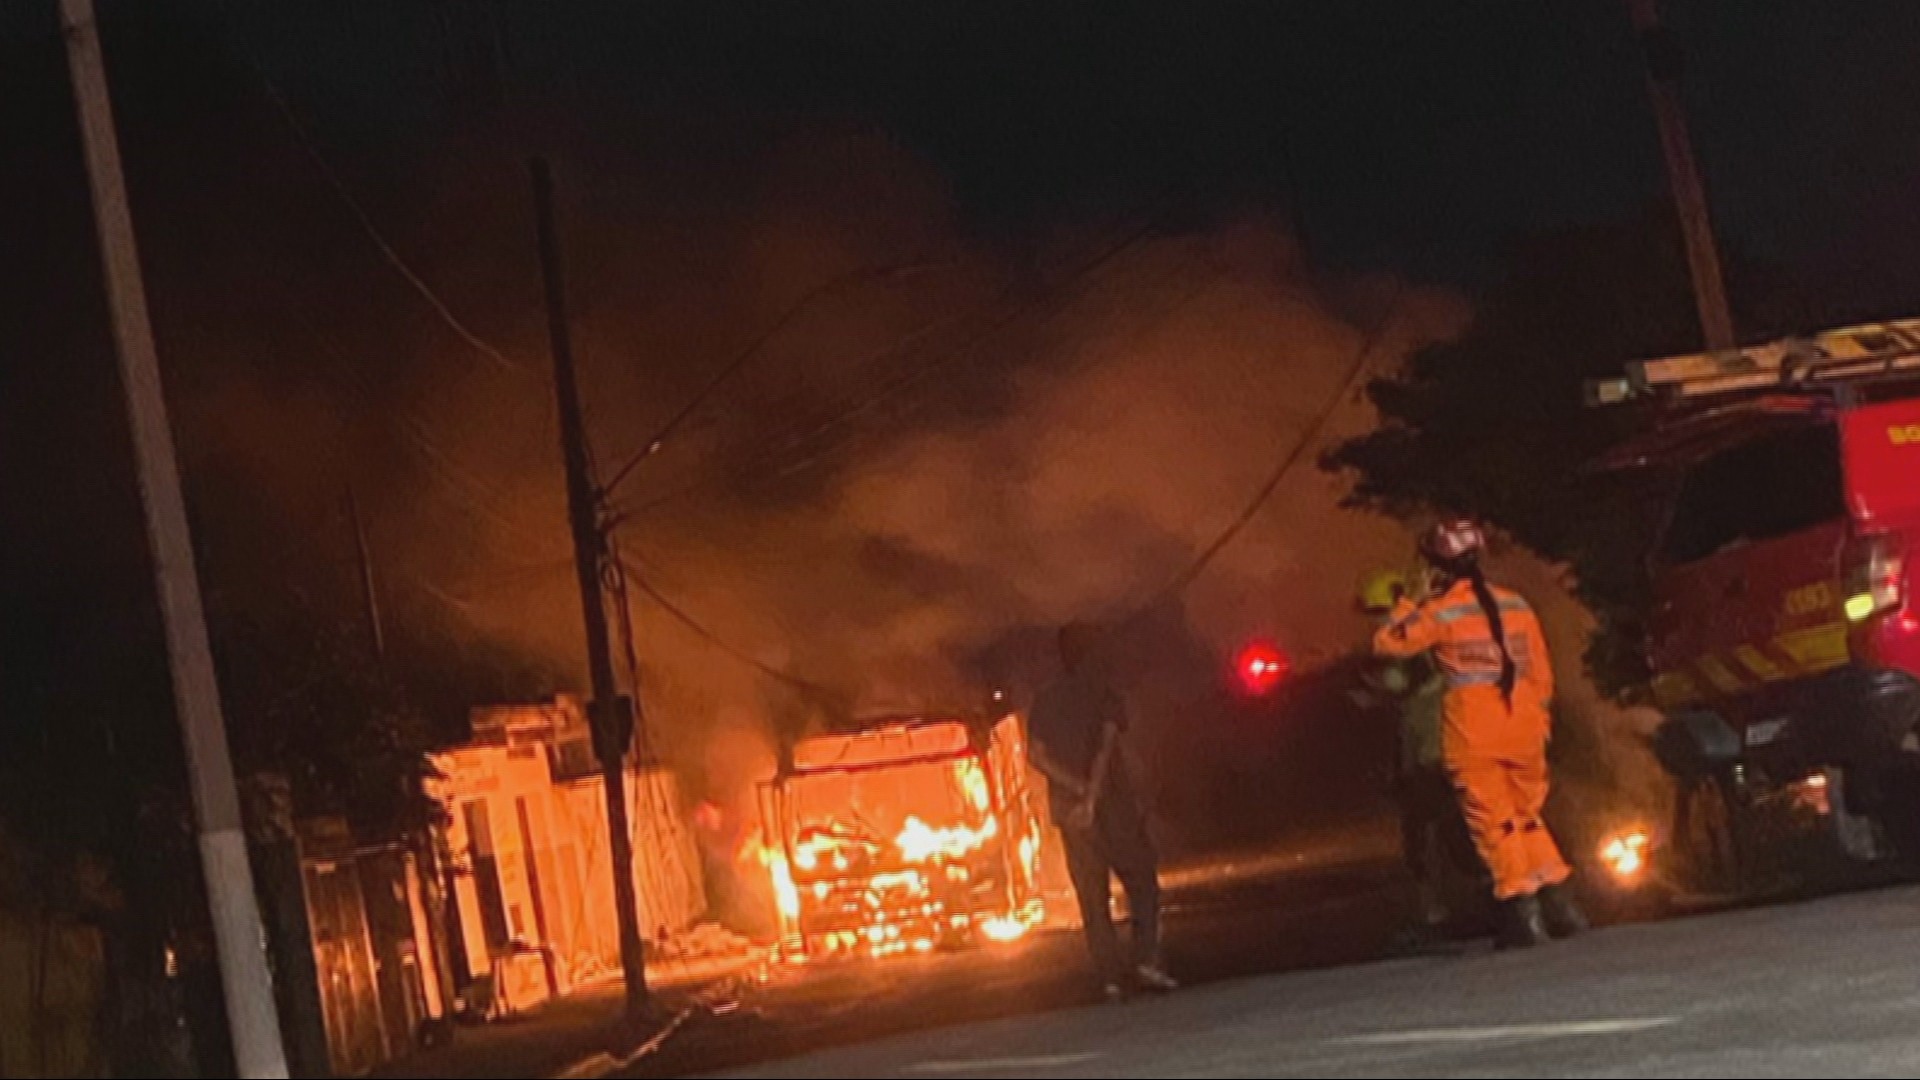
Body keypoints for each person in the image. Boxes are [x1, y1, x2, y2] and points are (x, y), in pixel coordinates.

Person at [1373, 522, 1588, 949]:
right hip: (1525, 726)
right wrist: (1537, 719)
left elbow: (1388, 644)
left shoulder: (1440, 612)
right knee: (1527, 816)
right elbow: (1541, 673)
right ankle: (1560, 904)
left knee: (1497, 824)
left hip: (1476, 732)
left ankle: (1523, 914)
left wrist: (1409, 601)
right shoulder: (1516, 604)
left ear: (1437, 567)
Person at [1028, 622, 1177, 1000]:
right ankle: (1146, 959)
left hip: (1069, 812)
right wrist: (1091, 796)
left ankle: (1110, 979)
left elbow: (1036, 757)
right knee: (1141, 880)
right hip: (1112, 808)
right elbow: (1105, 747)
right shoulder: (1104, 692)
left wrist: (1073, 789)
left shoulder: (1044, 701)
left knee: (1092, 898)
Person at [1354, 569, 1484, 943]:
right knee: (1448, 833)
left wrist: (1376, 692)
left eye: (1378, 612)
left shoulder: (1416, 640)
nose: (1375, 622)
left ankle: (1442, 912)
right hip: (1434, 751)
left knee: (1431, 837)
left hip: (1435, 753)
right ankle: (1489, 900)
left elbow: (1406, 683)